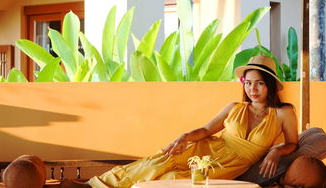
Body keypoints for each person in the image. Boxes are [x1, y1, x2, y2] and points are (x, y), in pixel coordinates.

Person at [61, 55, 298, 188]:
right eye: (248, 83)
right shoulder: (234, 108)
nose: (252, 88)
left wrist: (277, 151)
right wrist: (185, 136)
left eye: (259, 83)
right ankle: (95, 185)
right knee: (157, 162)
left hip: (228, 164)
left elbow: (292, 143)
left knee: (171, 180)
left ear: (269, 85)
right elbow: (206, 129)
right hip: (206, 148)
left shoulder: (283, 112)